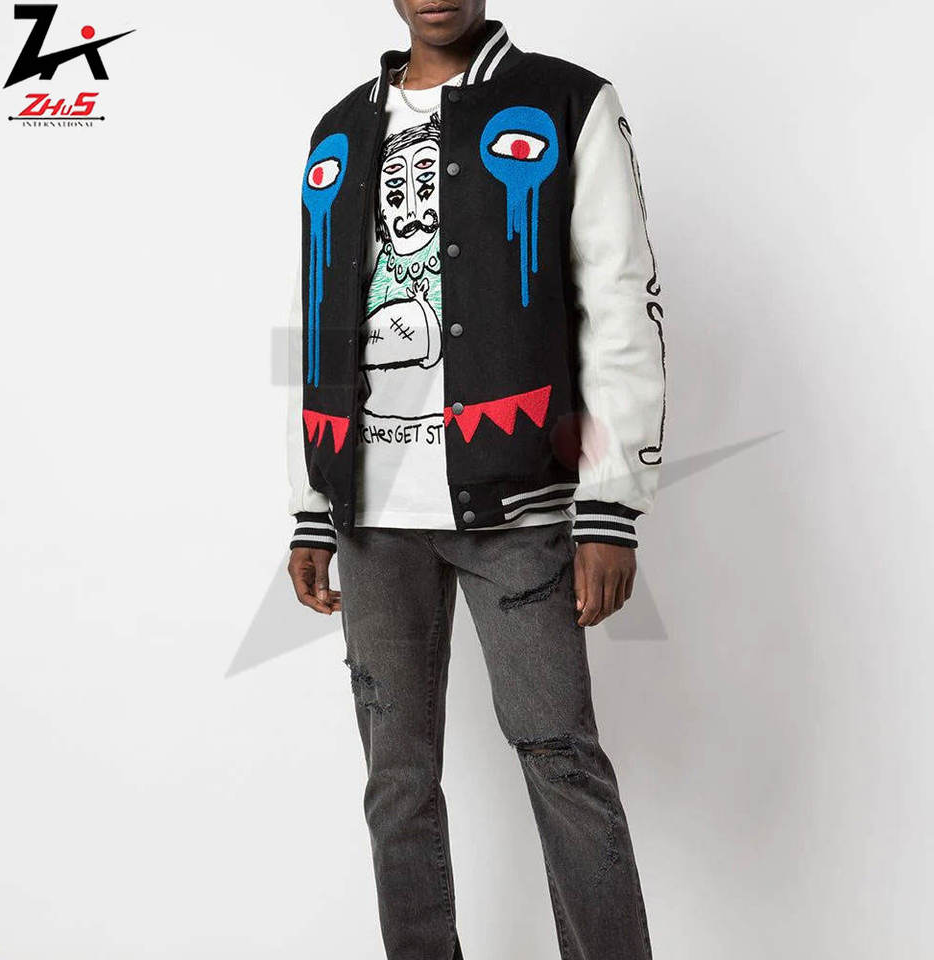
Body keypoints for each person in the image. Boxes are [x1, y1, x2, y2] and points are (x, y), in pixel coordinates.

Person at [286, 2, 666, 957]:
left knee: (561, 760)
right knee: (396, 782)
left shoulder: (568, 102)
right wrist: (310, 506)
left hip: (517, 503)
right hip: (371, 513)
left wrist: (610, 505)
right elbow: (313, 315)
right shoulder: (339, 130)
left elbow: (620, 298)